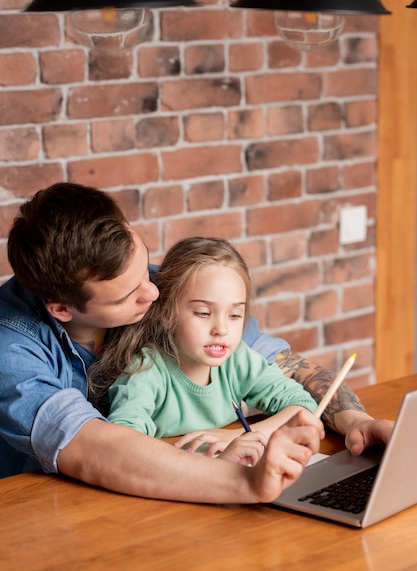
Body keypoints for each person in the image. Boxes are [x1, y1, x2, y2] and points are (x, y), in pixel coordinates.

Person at [0, 183, 391, 504]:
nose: (153, 293)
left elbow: (282, 364)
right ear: (62, 309)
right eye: (126, 296)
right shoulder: (11, 347)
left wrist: (358, 422)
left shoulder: (150, 284)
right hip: (42, 511)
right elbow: (91, 448)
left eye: (145, 266)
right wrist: (241, 482)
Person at [93, 236, 319, 466]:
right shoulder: (145, 372)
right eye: (203, 313)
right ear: (167, 314)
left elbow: (302, 406)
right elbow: (123, 445)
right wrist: (213, 465)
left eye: (234, 315)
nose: (221, 329)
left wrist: (240, 436)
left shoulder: (238, 360)